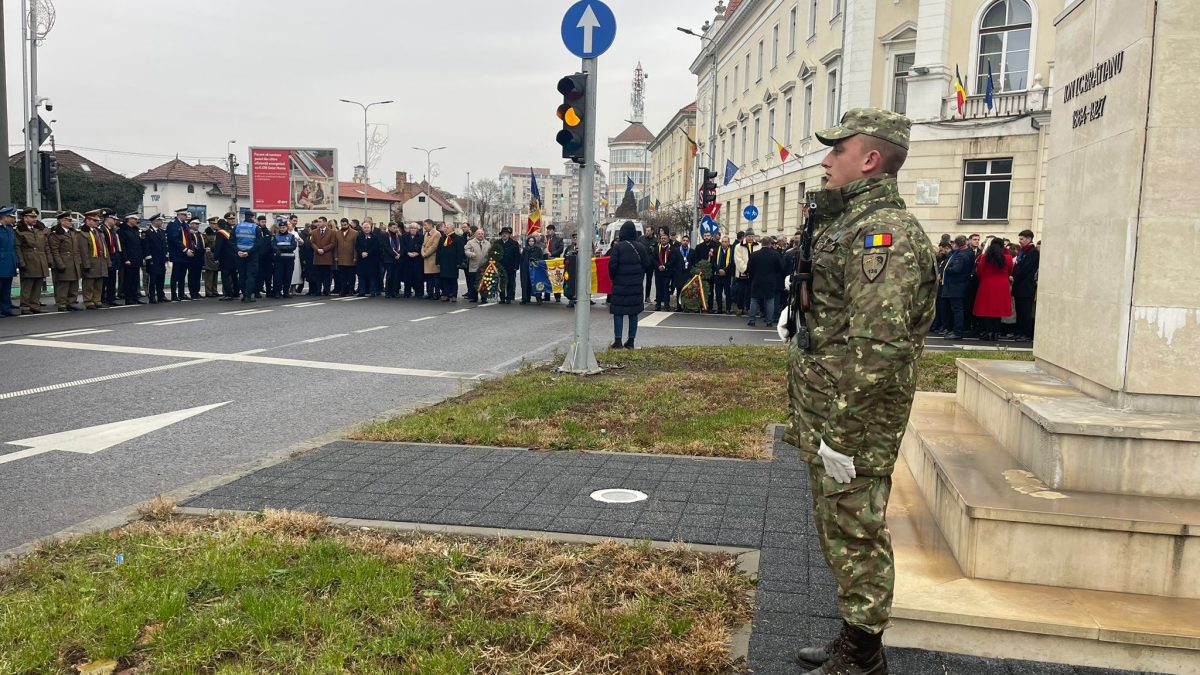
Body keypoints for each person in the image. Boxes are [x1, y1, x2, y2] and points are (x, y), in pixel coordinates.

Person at [783, 108, 936, 675]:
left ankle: (865, 655)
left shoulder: (884, 237)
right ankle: (855, 632)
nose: (826, 161)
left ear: (870, 160)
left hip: (855, 421)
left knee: (856, 527)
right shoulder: (849, 225)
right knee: (839, 526)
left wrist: (841, 437)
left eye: (837, 152)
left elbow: (880, 349)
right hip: (834, 413)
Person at [607, 221, 652, 349]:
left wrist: (614, 277)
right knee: (634, 313)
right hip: (636, 286)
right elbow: (647, 265)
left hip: (620, 286)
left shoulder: (618, 247)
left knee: (618, 312)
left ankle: (618, 341)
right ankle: (631, 341)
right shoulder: (641, 247)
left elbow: (612, 267)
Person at [973, 236, 1014, 342]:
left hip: (987, 283)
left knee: (987, 310)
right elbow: (1010, 271)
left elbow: (980, 272)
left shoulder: (985, 257)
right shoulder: (1008, 258)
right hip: (1002, 285)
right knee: (998, 310)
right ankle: (995, 333)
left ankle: (988, 332)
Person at [14, 208, 49, 314]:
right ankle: (25, 306)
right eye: (32, 217)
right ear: (25, 218)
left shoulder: (39, 229)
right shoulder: (19, 230)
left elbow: (45, 245)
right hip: (28, 260)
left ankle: (35, 305)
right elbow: (17, 248)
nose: (34, 219)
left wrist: (48, 260)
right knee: (27, 286)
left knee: (38, 284)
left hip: (40, 260)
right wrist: (21, 262)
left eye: (35, 217)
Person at [746, 235, 784, 327]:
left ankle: (752, 320)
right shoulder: (775, 254)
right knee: (770, 300)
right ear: (770, 244)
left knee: (754, 300)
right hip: (770, 280)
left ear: (761, 243)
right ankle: (769, 321)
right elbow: (781, 268)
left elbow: (749, 269)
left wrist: (751, 279)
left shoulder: (754, 255)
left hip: (757, 280)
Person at [47, 211, 82, 311]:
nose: (71, 222)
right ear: (62, 221)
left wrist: (79, 261)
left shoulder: (72, 232)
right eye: (69, 220)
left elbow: (77, 249)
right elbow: (55, 251)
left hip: (74, 262)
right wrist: (60, 264)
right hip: (64, 262)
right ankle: (62, 303)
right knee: (63, 285)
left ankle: (71, 302)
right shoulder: (56, 233)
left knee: (74, 284)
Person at [939, 236, 972, 340]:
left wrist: (946, 268)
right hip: (959, 285)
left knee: (957, 310)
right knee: (957, 309)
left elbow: (956, 269)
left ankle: (958, 331)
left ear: (956, 245)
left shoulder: (961, 255)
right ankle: (956, 330)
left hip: (956, 285)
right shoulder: (967, 253)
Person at [77, 209, 110, 310]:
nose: (97, 222)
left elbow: (104, 247)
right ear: (88, 220)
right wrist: (86, 264)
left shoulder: (98, 232)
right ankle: (88, 301)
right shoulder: (83, 233)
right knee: (89, 284)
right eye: (94, 220)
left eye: (97, 220)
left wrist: (108, 261)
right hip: (91, 262)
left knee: (98, 283)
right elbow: (83, 251)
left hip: (100, 261)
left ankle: (97, 300)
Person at [1011, 228, 1039, 341]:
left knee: (1025, 311)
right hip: (1019, 286)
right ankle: (1019, 331)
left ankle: (1026, 333)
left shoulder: (1033, 252)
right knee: (1019, 310)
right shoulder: (1023, 251)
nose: (1019, 241)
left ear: (1029, 239)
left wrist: (1015, 276)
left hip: (1026, 286)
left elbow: (1025, 268)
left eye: (1022, 239)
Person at [234, 212, 264, 303]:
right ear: (252, 218)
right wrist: (248, 252)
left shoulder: (237, 227)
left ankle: (244, 294)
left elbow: (231, 241)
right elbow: (259, 243)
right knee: (251, 276)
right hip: (252, 255)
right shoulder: (256, 228)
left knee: (242, 275)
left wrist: (238, 251)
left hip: (239, 255)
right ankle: (248, 296)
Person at [119, 214, 146, 305]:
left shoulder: (135, 230)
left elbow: (138, 245)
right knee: (128, 279)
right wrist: (125, 258)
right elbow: (123, 246)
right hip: (129, 259)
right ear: (129, 219)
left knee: (135, 279)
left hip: (136, 258)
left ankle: (135, 296)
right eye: (134, 219)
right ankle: (128, 298)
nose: (136, 220)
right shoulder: (123, 230)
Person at [166, 208, 191, 301]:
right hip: (177, 253)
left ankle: (181, 293)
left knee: (182, 275)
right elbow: (175, 239)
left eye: (186, 215)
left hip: (184, 253)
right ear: (179, 215)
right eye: (184, 215)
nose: (185, 217)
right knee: (175, 275)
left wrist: (189, 249)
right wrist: (185, 249)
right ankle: (174, 294)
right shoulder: (173, 224)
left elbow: (187, 238)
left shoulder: (184, 225)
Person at [652, 232, 680, 312]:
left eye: (665, 238)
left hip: (667, 272)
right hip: (658, 272)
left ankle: (667, 305)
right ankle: (658, 305)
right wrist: (658, 266)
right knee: (658, 288)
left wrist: (665, 266)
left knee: (665, 289)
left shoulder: (672, 249)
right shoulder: (657, 248)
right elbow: (653, 259)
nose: (663, 240)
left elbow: (673, 260)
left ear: (668, 239)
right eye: (662, 239)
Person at [214, 213, 239, 301]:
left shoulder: (221, 232)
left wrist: (216, 257)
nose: (232, 220)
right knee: (233, 275)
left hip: (227, 257)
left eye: (233, 218)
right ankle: (235, 292)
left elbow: (218, 246)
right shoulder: (228, 231)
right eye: (230, 219)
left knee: (226, 276)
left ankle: (229, 293)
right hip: (231, 256)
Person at [308, 216, 336, 296]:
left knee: (327, 276)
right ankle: (318, 290)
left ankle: (326, 290)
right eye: (318, 222)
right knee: (318, 275)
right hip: (317, 257)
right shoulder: (314, 232)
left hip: (327, 257)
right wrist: (317, 249)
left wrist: (324, 249)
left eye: (320, 222)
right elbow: (312, 243)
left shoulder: (331, 232)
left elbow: (333, 243)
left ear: (325, 222)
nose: (319, 223)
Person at [272, 220, 299, 298]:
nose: (282, 229)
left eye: (284, 227)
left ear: (287, 228)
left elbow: (293, 246)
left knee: (288, 276)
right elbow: (273, 246)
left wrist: (281, 248)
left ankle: (286, 292)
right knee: (278, 276)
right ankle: (277, 292)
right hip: (279, 259)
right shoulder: (275, 236)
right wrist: (280, 249)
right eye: (281, 227)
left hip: (289, 259)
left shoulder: (291, 236)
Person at [0, 207, 18, 318]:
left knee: (7, 288)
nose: (12, 218)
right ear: (4, 217)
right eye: (10, 216)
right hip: (1, 262)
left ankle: (6, 308)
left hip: (9, 261)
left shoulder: (10, 229)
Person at [733, 229, 756, 316]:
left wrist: (753, 270)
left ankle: (748, 307)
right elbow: (738, 260)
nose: (750, 238)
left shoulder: (758, 245)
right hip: (742, 273)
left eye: (752, 236)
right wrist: (746, 270)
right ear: (745, 237)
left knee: (749, 292)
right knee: (741, 291)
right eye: (749, 236)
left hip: (753, 273)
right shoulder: (739, 246)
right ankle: (740, 307)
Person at [100, 211, 121, 307]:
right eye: (113, 219)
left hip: (113, 257)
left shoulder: (112, 230)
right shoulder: (102, 229)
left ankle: (110, 298)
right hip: (107, 258)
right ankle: (104, 298)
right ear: (108, 219)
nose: (115, 221)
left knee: (112, 280)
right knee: (106, 280)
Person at [464, 226, 490, 303]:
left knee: (484, 283)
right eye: (479, 234)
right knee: (473, 283)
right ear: (475, 234)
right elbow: (466, 250)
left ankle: (484, 297)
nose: (480, 235)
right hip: (474, 266)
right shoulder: (470, 242)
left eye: (482, 234)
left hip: (484, 267)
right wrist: (471, 254)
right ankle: (474, 297)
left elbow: (491, 252)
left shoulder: (487, 243)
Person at [711, 234, 735, 314]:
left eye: (725, 242)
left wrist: (725, 271)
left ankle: (728, 309)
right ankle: (719, 308)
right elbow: (713, 262)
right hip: (718, 275)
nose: (724, 243)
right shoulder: (716, 250)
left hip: (727, 275)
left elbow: (732, 263)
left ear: (728, 243)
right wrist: (718, 270)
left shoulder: (732, 251)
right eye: (723, 241)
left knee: (727, 293)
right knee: (718, 293)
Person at [519, 234, 545, 305]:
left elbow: (541, 259)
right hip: (526, 269)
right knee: (526, 284)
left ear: (534, 242)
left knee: (536, 283)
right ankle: (525, 298)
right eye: (530, 241)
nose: (531, 242)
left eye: (532, 241)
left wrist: (535, 260)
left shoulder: (538, 249)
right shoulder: (525, 249)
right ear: (528, 242)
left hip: (535, 269)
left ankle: (538, 299)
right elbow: (522, 259)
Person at [401, 222, 424, 298]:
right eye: (411, 228)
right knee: (407, 277)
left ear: (417, 229)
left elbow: (423, 246)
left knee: (418, 277)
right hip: (407, 259)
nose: (413, 230)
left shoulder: (421, 236)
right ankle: (407, 292)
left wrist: (418, 253)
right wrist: (407, 253)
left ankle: (419, 292)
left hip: (417, 259)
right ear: (409, 229)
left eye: (414, 228)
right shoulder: (404, 236)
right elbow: (402, 246)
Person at [497, 227, 520, 304]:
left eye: (506, 234)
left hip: (510, 266)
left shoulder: (514, 243)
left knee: (510, 283)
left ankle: (509, 298)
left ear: (509, 235)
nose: (504, 235)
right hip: (500, 266)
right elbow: (493, 254)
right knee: (501, 282)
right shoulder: (497, 243)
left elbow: (517, 256)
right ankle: (502, 298)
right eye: (503, 233)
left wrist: (516, 266)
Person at [419, 220, 442, 299]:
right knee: (429, 277)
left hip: (433, 258)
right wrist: (422, 252)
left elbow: (435, 246)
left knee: (435, 277)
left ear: (431, 225)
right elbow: (423, 244)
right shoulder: (426, 234)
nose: (424, 227)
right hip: (426, 258)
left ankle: (437, 293)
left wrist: (425, 254)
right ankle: (430, 292)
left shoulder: (437, 233)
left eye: (425, 225)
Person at [383, 222, 404, 298]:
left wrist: (400, 254)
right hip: (389, 259)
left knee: (396, 276)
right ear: (389, 228)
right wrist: (394, 255)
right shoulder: (385, 235)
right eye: (394, 228)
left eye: (396, 227)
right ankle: (388, 291)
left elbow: (402, 247)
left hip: (398, 259)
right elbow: (387, 247)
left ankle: (395, 291)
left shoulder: (399, 236)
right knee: (390, 275)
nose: (395, 229)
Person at [202, 217, 221, 298]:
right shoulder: (205, 233)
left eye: (216, 224)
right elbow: (204, 245)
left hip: (216, 254)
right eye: (213, 224)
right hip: (209, 256)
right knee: (209, 274)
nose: (215, 225)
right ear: (209, 224)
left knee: (215, 274)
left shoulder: (218, 232)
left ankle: (214, 290)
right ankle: (209, 292)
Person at [545, 223, 565, 302]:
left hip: (555, 261)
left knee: (556, 278)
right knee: (547, 278)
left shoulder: (558, 239)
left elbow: (561, 249)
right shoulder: (547, 239)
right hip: (547, 261)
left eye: (549, 230)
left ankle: (557, 296)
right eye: (548, 230)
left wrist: (552, 253)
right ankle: (547, 296)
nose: (548, 231)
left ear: (553, 230)